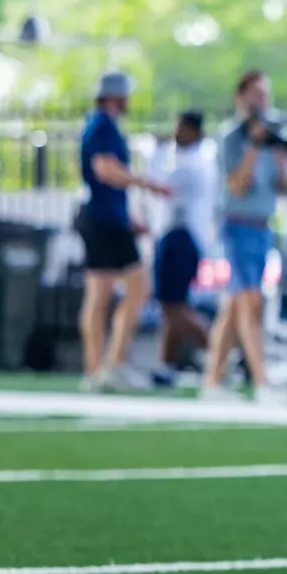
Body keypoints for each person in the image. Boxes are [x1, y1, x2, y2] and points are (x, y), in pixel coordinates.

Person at [199, 70, 287, 404]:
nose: (261, 101)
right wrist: (254, 145)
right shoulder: (232, 138)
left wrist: (282, 159)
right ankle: (262, 382)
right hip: (237, 225)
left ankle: (212, 382)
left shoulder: (271, 138)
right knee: (251, 302)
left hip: (262, 227)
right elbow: (237, 185)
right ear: (241, 97)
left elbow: (284, 189)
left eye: (264, 94)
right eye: (255, 94)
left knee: (235, 307)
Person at [76, 71, 171, 390]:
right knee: (138, 285)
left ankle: (96, 370)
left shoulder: (98, 124)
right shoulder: (103, 125)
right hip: (104, 221)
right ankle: (113, 363)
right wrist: (147, 183)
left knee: (100, 293)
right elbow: (105, 170)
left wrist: (129, 219)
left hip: (104, 218)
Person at [150, 110, 216, 384]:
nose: (175, 133)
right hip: (178, 237)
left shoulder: (192, 165)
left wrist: (155, 149)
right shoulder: (190, 161)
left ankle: (219, 353)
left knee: (174, 306)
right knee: (172, 306)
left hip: (182, 238)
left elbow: (157, 184)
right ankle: (167, 365)